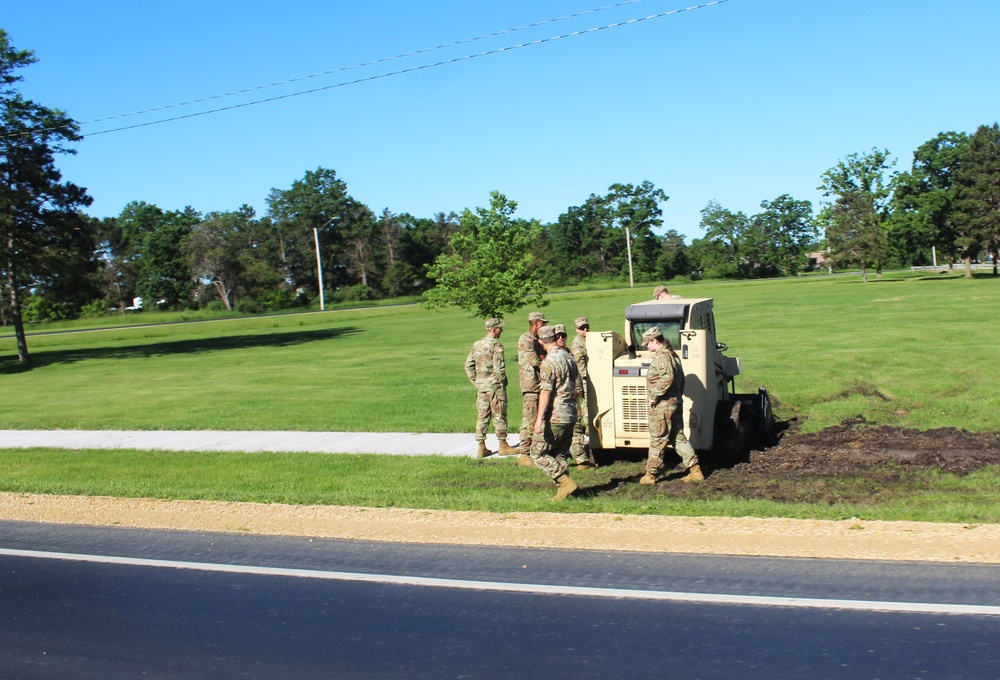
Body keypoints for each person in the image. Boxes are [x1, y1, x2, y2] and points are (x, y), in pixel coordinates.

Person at [640, 326, 703, 484]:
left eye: (647, 343)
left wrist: (654, 395)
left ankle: (650, 474)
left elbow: (668, 377)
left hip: (663, 406)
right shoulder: (673, 355)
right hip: (674, 403)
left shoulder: (662, 356)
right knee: (678, 437)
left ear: (655, 341)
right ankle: (695, 470)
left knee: (657, 438)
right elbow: (681, 379)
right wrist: (677, 397)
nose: (646, 347)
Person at [531, 325, 580, 500]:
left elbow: (545, 392)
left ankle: (564, 481)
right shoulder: (569, 357)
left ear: (541, 341)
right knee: (559, 452)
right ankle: (564, 491)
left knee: (537, 452)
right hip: (571, 412)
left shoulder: (549, 362)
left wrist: (538, 420)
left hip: (556, 415)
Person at [465, 318, 518, 457]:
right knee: (499, 414)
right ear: (494, 329)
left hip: (482, 387)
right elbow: (499, 367)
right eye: (500, 328)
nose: (502, 330)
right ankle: (503, 445)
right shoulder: (496, 345)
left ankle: (481, 446)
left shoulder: (477, 344)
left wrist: (476, 381)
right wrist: (502, 382)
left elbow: (468, 365)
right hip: (495, 386)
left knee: (483, 416)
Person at [517, 311, 547, 467]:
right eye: (543, 323)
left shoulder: (537, 340)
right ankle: (524, 454)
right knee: (529, 419)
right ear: (536, 323)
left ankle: (535, 450)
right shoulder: (526, 339)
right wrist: (547, 362)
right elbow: (535, 360)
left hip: (538, 383)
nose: (545, 326)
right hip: (530, 385)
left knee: (538, 418)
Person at [569, 317, 597, 468]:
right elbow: (580, 366)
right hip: (585, 379)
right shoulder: (577, 344)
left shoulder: (590, 340)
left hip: (591, 378)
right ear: (576, 329)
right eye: (582, 328)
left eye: (586, 326)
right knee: (587, 407)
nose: (585, 330)